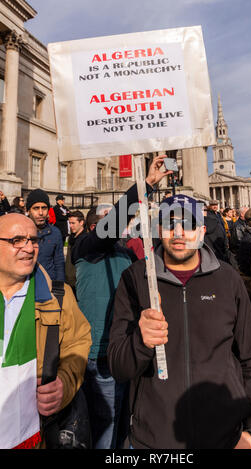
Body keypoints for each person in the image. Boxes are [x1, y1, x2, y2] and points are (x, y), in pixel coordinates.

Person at [107, 194, 251, 449]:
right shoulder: (135, 279)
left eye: (189, 224)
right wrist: (140, 342)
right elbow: (118, 367)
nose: (179, 232)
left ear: (202, 230)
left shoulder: (228, 279)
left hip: (225, 435)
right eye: (170, 223)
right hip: (155, 439)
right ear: (157, 228)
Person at [72, 155, 173, 449]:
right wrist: (146, 185)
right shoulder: (86, 249)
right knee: (107, 427)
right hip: (99, 352)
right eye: (110, 219)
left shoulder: (128, 253)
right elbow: (110, 228)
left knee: (125, 425)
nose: (123, 225)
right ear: (95, 227)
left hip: (128, 349)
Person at [0, 213, 91, 449]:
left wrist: (64, 383)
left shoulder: (60, 297)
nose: (29, 248)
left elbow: (78, 343)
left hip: (33, 435)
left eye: (33, 240)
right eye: (17, 240)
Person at [26, 189, 65, 282]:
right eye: (36, 208)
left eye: (44, 208)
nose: (40, 213)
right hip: (25, 286)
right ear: (28, 211)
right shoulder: (19, 232)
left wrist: (59, 287)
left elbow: (59, 263)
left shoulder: (55, 233)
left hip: (48, 285)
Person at [65, 210, 86, 295]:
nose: (71, 226)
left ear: (81, 223)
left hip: (80, 282)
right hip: (69, 281)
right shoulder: (71, 238)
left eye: (73, 223)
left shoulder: (86, 239)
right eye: (69, 223)